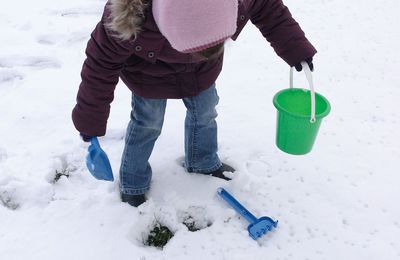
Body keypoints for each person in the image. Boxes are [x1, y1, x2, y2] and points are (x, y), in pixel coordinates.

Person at [72, 0, 317, 207]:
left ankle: (203, 162)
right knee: (148, 123)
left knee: (206, 112)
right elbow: (99, 67)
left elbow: (270, 11)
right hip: (149, 76)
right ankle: (132, 181)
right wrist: (90, 120)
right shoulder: (127, 19)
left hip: (202, 73)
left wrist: (296, 50)